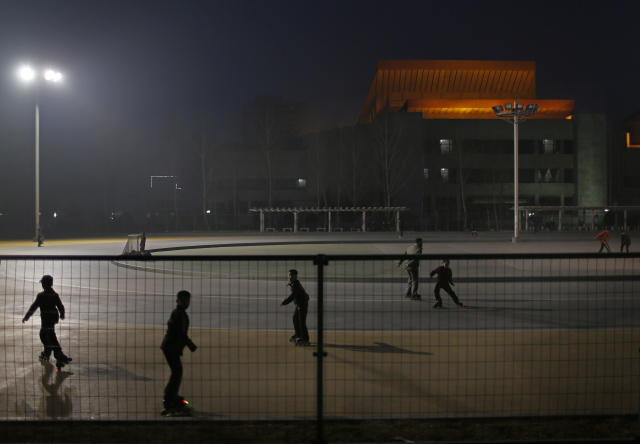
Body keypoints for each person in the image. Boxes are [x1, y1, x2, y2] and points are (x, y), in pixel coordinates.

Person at [22, 275, 72, 369]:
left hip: (46, 320)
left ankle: (54, 356)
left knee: (45, 336)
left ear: (44, 285)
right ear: (51, 284)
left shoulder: (41, 296)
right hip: (52, 319)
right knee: (50, 336)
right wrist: (62, 314)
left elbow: (34, 307)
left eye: (42, 283)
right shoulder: (54, 295)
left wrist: (27, 317)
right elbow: (60, 306)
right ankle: (50, 355)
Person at [161, 290, 197, 415]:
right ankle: (169, 400)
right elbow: (181, 334)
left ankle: (171, 397)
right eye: (185, 301)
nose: (187, 303)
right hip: (171, 348)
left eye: (188, 301)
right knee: (177, 373)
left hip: (170, 347)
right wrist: (190, 344)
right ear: (179, 301)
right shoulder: (180, 315)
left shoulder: (178, 313)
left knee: (176, 373)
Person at [281, 269, 310, 346]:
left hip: (302, 305)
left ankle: (305, 339)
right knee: (295, 319)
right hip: (299, 305)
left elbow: (292, 296)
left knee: (301, 322)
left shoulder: (296, 285)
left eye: (292, 275)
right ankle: (298, 335)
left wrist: (284, 302)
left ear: (295, 276)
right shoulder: (294, 283)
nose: (290, 277)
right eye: (289, 275)